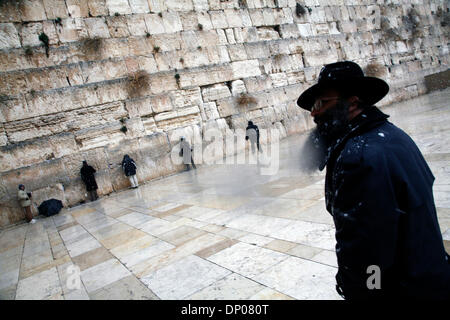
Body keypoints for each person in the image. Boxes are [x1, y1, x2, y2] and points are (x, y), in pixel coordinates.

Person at [297, 60, 450, 300]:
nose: (314, 112)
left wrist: (368, 292)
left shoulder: (357, 158)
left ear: (353, 102)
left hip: (404, 289)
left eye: (321, 103)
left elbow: (369, 254)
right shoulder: (393, 135)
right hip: (430, 274)